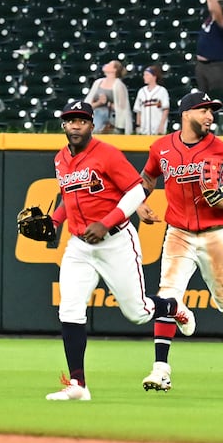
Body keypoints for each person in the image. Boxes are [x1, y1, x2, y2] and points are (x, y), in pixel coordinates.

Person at [36, 100, 195, 401]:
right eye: (70, 121)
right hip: (79, 247)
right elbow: (66, 196)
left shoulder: (106, 154)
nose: (75, 125)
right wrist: (54, 223)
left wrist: (106, 223)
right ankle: (77, 385)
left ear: (91, 125)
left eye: (81, 120)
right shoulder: (60, 159)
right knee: (70, 308)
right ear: (63, 125)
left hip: (117, 242)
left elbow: (137, 190)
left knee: (137, 313)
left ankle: (172, 307)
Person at [139, 90, 223, 390]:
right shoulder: (162, 147)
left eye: (211, 111)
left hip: (215, 232)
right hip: (178, 232)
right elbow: (148, 177)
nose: (210, 116)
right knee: (168, 295)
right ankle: (160, 368)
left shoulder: (220, 148)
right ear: (187, 114)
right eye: (204, 110)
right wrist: (139, 204)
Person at [85, 59, 133, 134]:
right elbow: (88, 104)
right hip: (97, 115)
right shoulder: (98, 82)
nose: (106, 65)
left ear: (114, 70)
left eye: (109, 64)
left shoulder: (119, 85)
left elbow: (123, 108)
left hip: (113, 117)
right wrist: (99, 102)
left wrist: (110, 105)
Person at [133, 65, 170, 136]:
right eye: (144, 75)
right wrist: (138, 126)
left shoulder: (162, 90)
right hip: (144, 130)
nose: (144, 77)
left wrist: (161, 126)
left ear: (154, 76)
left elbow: (165, 110)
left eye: (147, 75)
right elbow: (138, 111)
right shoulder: (141, 91)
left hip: (157, 128)